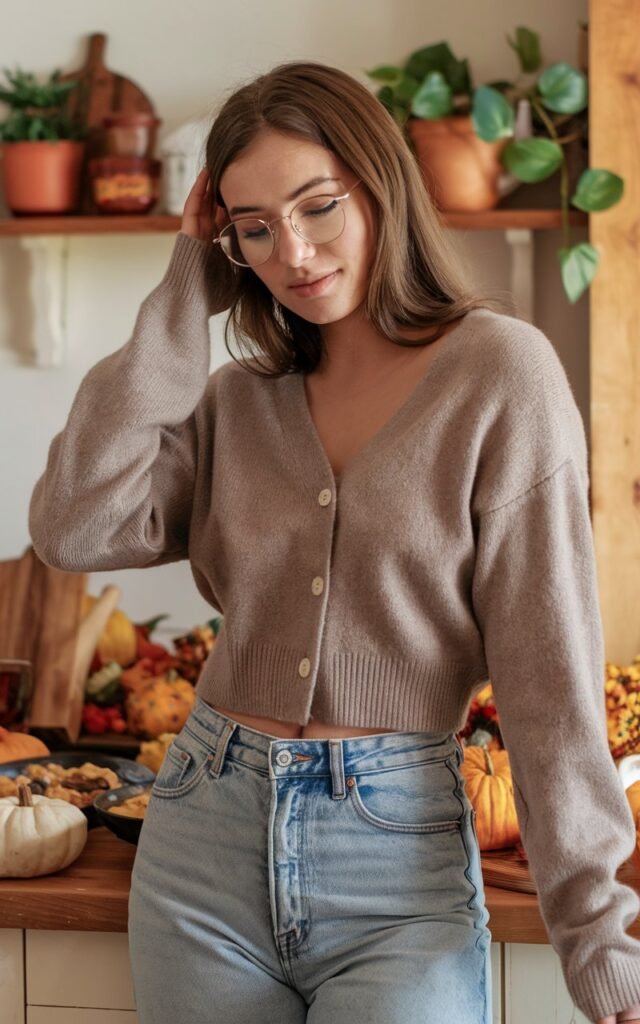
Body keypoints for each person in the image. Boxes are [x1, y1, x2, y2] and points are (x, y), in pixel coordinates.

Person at [28, 61, 640, 1024]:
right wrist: (186, 291)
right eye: (255, 228)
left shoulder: (500, 376)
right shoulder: (239, 400)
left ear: (380, 183)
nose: (295, 253)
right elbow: (72, 525)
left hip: (396, 859)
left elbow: (548, 671)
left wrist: (596, 931)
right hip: (203, 837)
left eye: (318, 207)